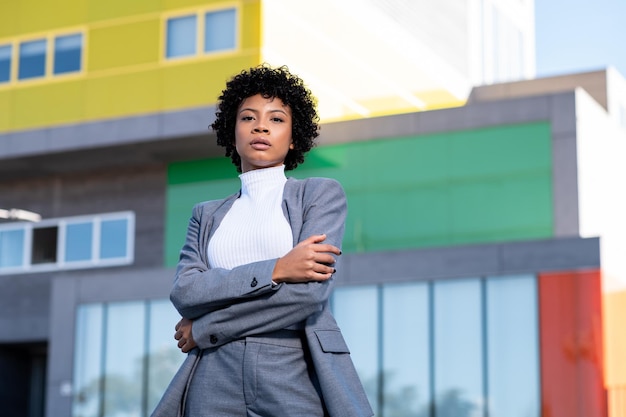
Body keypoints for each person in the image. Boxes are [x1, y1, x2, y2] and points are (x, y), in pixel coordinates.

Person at [151, 65, 373, 417]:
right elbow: (187, 293)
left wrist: (207, 327)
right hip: (212, 372)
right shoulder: (205, 214)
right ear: (232, 131)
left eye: (277, 119)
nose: (261, 126)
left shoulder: (319, 195)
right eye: (248, 117)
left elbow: (307, 295)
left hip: (292, 365)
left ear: (294, 135)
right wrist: (278, 268)